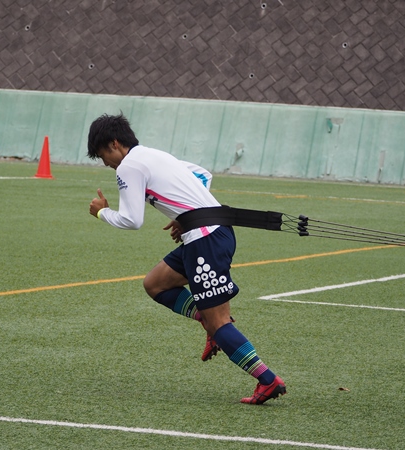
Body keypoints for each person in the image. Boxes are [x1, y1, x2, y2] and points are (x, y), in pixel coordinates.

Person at [86, 113, 286, 405]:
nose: (105, 162)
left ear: (114, 143)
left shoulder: (128, 166)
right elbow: (203, 175)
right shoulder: (155, 155)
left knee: (220, 324)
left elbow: (132, 220)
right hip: (211, 233)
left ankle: (267, 380)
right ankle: (204, 317)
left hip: (206, 240)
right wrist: (187, 215)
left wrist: (101, 212)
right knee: (155, 284)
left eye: (102, 154)